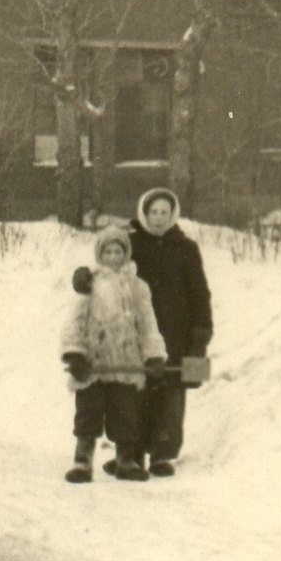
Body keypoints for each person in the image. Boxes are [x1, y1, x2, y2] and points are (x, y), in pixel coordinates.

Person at [73, 188, 213, 479]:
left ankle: (163, 455)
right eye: (153, 212)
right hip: (135, 330)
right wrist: (83, 276)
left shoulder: (186, 248)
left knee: (171, 393)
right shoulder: (132, 243)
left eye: (164, 212)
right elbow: (107, 264)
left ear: (172, 215)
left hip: (176, 331)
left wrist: (200, 336)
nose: (159, 218)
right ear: (144, 213)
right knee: (133, 392)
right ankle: (131, 455)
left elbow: (200, 293)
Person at [60, 225, 167, 484]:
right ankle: (82, 461)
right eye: (107, 251)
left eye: (117, 251)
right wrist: (74, 353)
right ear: (100, 254)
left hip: (125, 362)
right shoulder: (90, 283)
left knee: (125, 414)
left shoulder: (138, 287)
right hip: (93, 364)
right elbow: (75, 320)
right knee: (88, 413)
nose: (112, 256)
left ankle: (125, 461)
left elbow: (148, 322)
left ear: (125, 253)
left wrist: (153, 355)